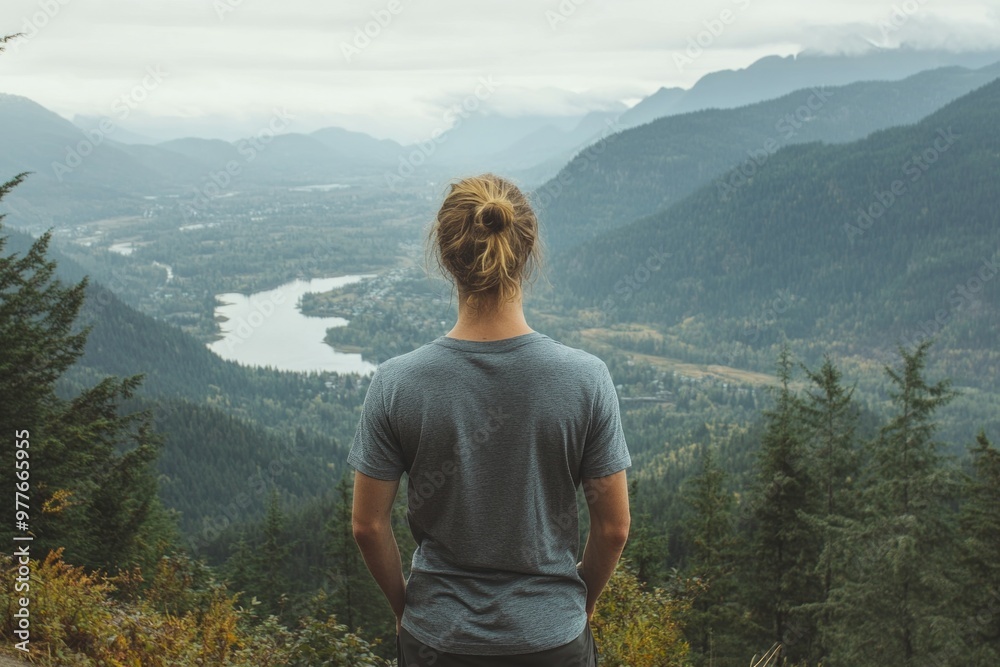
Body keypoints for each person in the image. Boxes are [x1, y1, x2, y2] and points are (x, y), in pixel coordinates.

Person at [348, 173, 632, 666]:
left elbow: (368, 526)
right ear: (526, 252)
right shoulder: (587, 379)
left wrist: (405, 611)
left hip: (438, 641)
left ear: (445, 256)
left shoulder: (397, 383)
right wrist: (571, 608)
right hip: (552, 645)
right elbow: (614, 529)